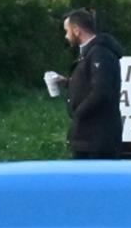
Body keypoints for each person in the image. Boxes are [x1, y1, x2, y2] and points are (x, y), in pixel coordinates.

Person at [48, 9, 123, 159]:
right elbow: (90, 82)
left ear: (76, 30)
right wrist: (67, 82)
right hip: (88, 137)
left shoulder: (99, 53)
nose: (66, 36)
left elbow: (101, 91)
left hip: (97, 138)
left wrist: (78, 113)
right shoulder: (89, 53)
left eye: (66, 31)